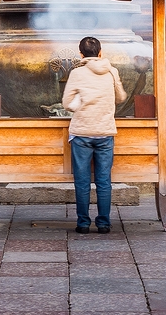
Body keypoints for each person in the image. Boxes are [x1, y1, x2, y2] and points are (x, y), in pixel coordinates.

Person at [61, 35, 125, 234]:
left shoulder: (77, 73)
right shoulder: (112, 71)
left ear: (81, 54)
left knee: (82, 181)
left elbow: (66, 103)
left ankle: (83, 223)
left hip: (81, 133)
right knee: (104, 180)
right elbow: (121, 97)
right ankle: (104, 223)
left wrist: (80, 104)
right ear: (100, 52)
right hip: (105, 132)